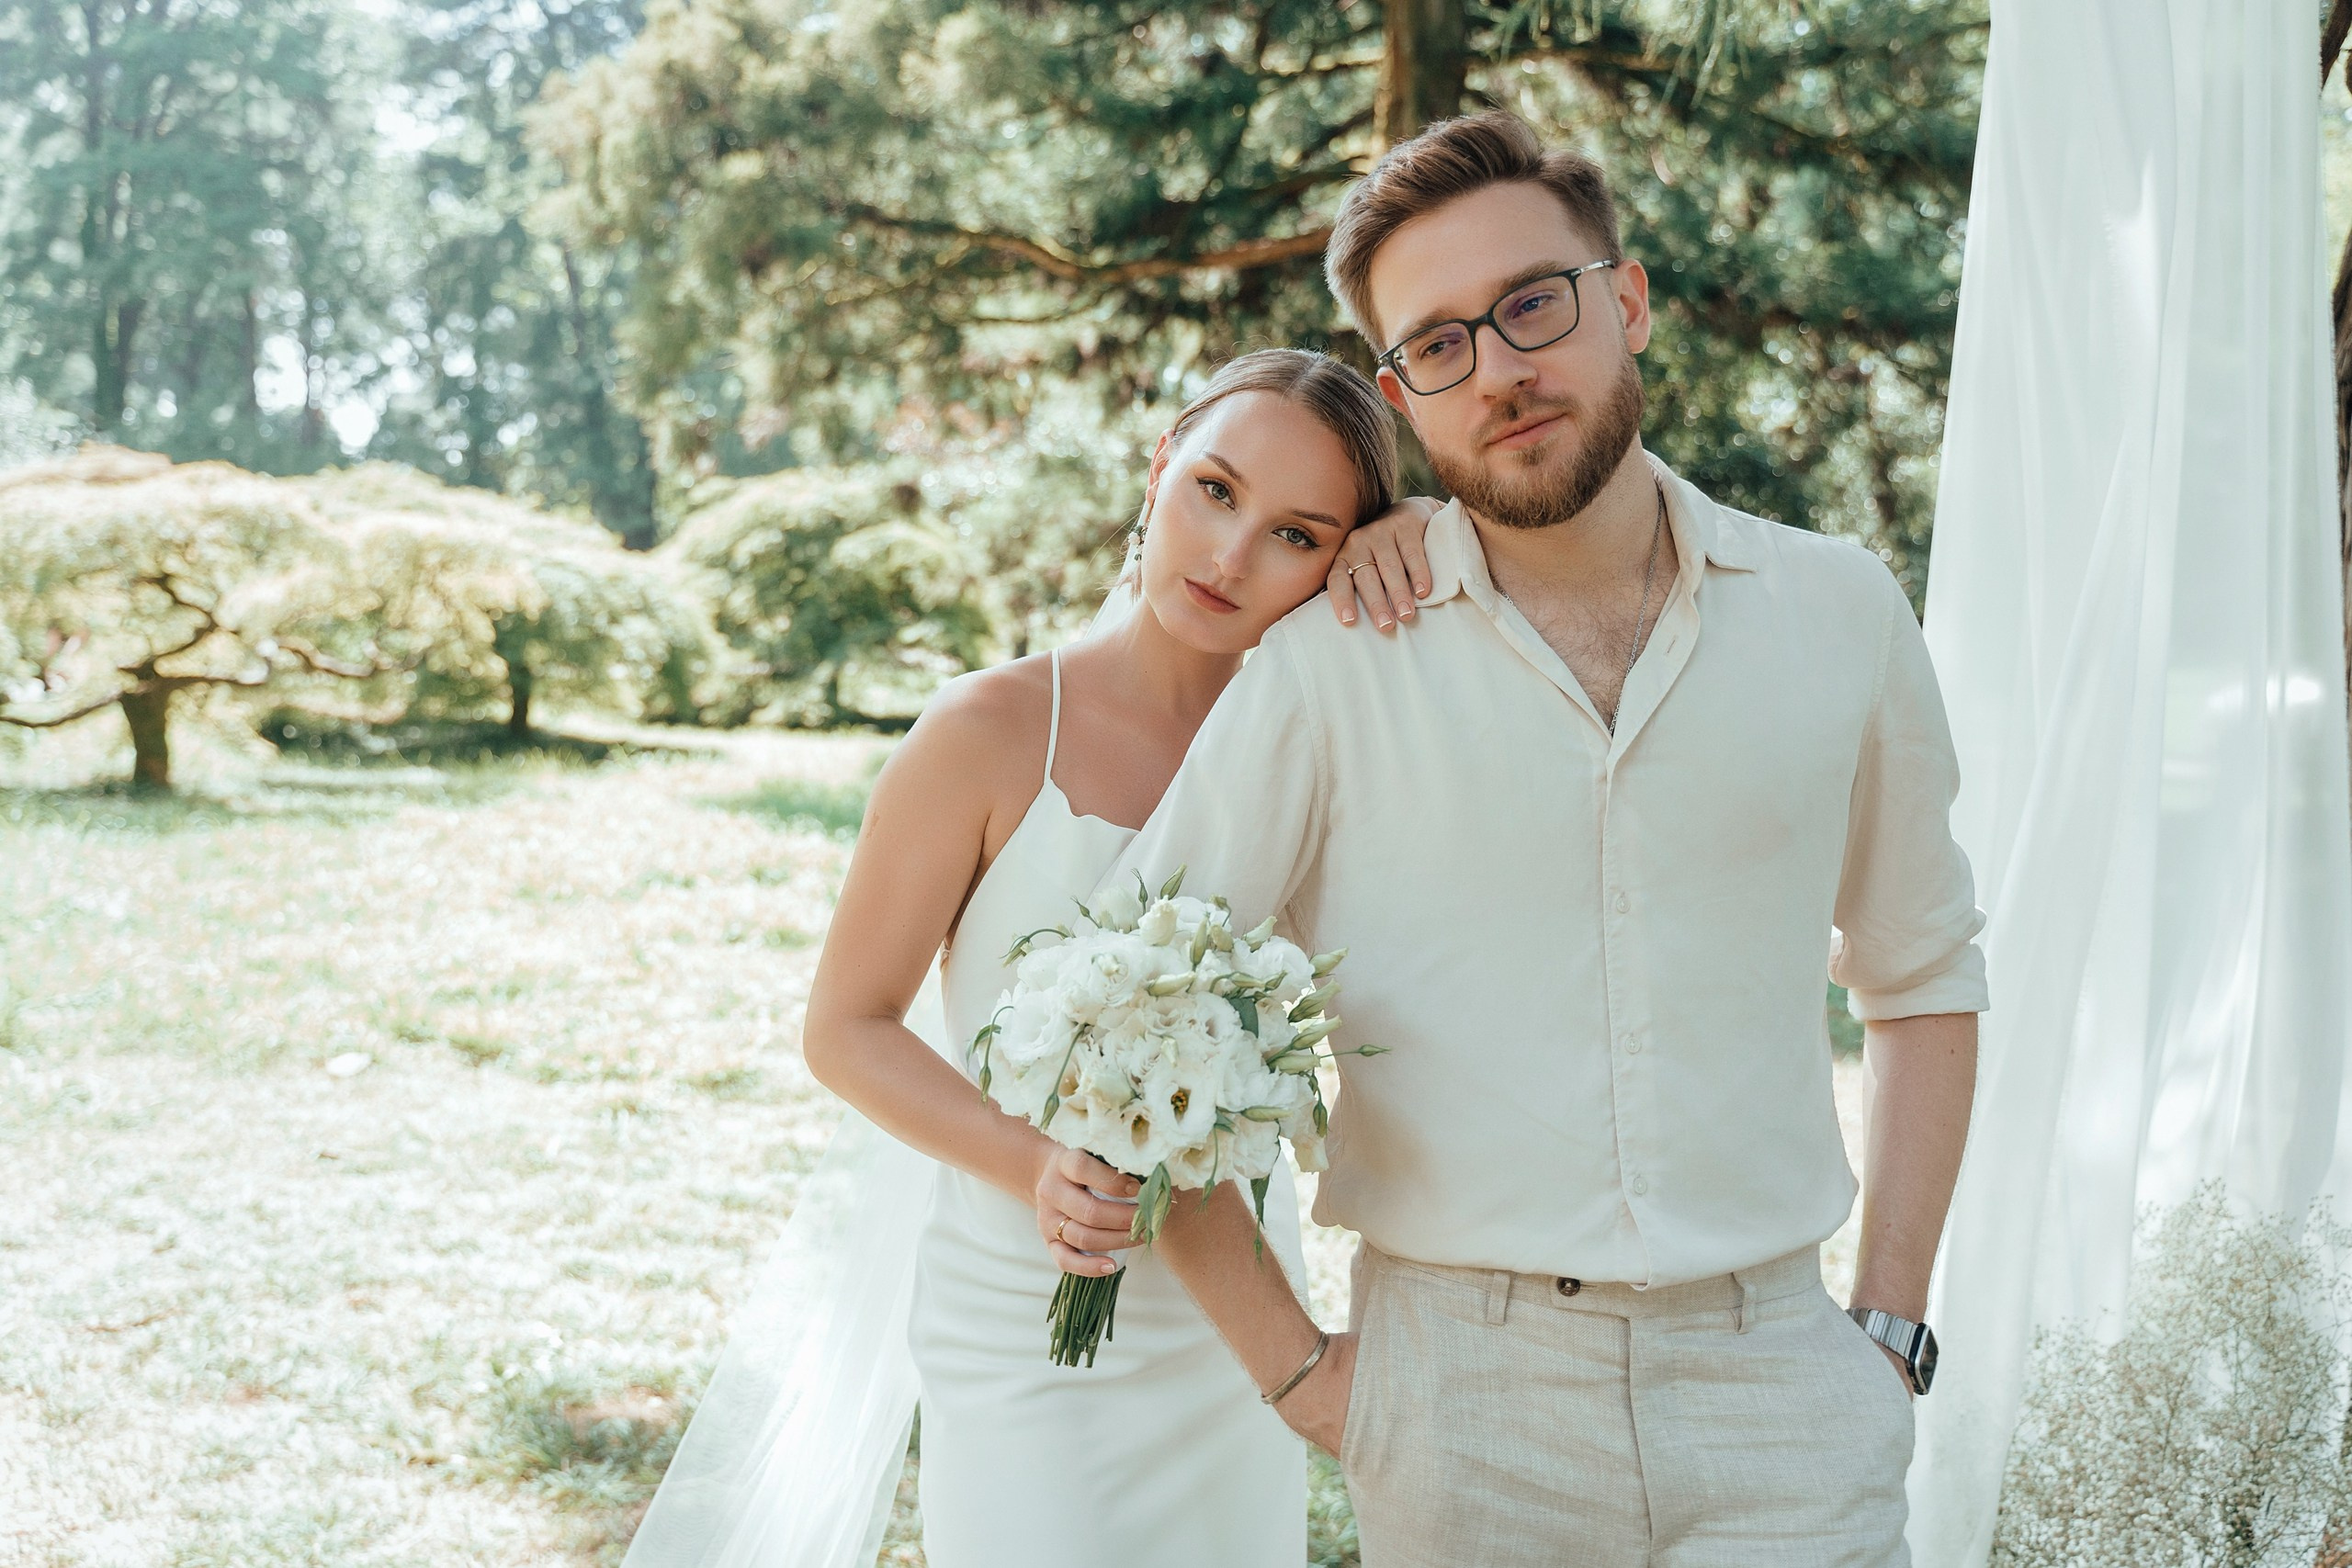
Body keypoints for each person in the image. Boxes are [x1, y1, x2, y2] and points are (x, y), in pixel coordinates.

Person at [1065, 111, 1987, 1567]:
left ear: (1628, 303)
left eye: (1533, 305)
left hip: (1786, 1393)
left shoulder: (1842, 612)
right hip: (1461, 1401)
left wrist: (1889, 1328)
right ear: (1403, 396)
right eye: (1440, 344)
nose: (1498, 369)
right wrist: (1304, 1376)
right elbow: (1124, 1016)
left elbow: (1923, 975)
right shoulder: (1331, 666)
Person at [786, 348, 1432, 1568]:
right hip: (1023, 1316)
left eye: (1297, 536)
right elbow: (846, 1027)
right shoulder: (987, 732)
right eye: (1216, 492)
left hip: (1227, 1329)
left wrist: (1432, 539)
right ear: (1160, 467)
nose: (1230, 557)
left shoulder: (1320, 756)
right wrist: (1037, 1165)